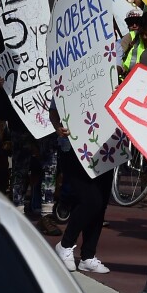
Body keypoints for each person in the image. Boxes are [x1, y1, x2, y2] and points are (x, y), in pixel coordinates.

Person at [50, 103, 113, 273]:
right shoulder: (68, 76)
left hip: (106, 147)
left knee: (100, 204)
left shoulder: (113, 77)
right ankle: (65, 244)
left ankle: (88, 256)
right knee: (91, 201)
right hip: (74, 149)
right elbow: (53, 111)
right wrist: (58, 128)